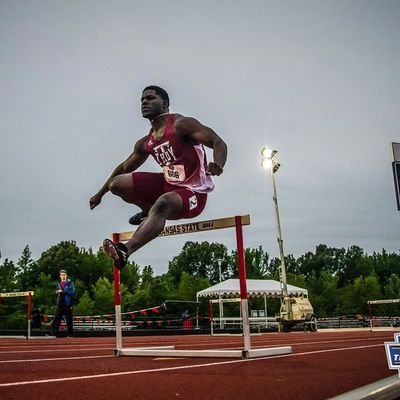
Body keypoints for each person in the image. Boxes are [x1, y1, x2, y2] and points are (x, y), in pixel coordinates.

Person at [90, 85, 227, 269]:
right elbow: (123, 167)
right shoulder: (147, 142)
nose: (144, 102)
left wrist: (218, 163)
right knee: (117, 184)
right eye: (142, 100)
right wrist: (100, 193)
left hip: (193, 193)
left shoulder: (180, 125)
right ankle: (148, 211)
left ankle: (125, 250)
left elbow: (218, 142)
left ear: (165, 104)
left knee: (164, 202)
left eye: (150, 98)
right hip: (168, 185)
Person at [50, 269, 75, 337]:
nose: (63, 276)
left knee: (68, 318)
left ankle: (70, 334)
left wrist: (63, 292)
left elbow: (72, 292)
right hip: (60, 302)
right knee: (57, 317)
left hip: (68, 302)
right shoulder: (58, 284)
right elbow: (57, 291)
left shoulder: (70, 283)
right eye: (61, 275)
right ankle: (53, 333)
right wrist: (57, 291)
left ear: (66, 276)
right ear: (60, 276)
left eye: (64, 275)